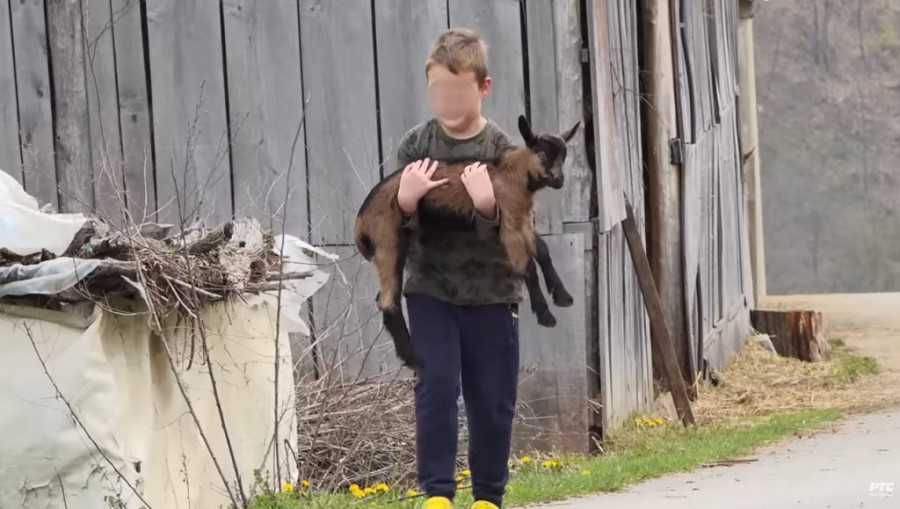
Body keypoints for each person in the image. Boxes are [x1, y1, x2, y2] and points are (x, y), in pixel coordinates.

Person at [394, 28, 523, 509]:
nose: (447, 100)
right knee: (436, 387)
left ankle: (487, 496)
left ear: (483, 87)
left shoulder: (502, 149)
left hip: (492, 292)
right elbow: (396, 227)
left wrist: (488, 206)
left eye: (457, 89)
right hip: (430, 289)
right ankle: (437, 495)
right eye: (438, 90)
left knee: (491, 398)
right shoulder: (416, 145)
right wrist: (406, 202)